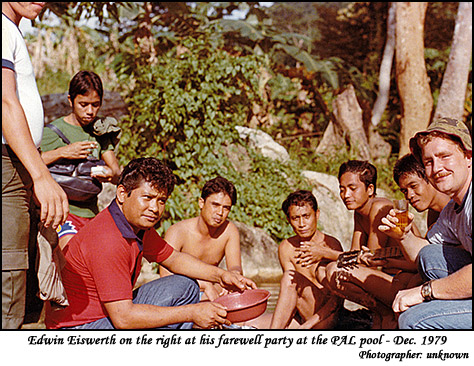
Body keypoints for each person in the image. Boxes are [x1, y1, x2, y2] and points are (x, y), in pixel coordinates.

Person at [45, 157, 256, 329]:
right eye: (147, 197)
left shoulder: (137, 227)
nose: (155, 208)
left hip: (109, 314)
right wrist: (192, 313)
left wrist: (222, 275)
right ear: (121, 194)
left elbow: (173, 259)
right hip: (79, 328)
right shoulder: (107, 239)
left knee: (185, 286)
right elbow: (124, 318)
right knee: (185, 310)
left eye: (161, 200)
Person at [2, 2, 69, 329]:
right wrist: (41, 174)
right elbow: (4, 101)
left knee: (24, 271)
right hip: (8, 164)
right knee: (10, 274)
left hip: (18, 164)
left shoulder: (11, 29)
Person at [380, 117, 472, 329]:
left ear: (468, 156)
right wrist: (404, 236)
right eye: (429, 162)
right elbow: (423, 254)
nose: (436, 168)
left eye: (444, 156)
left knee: (414, 320)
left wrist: (425, 292)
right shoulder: (452, 210)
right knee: (429, 256)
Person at [325, 160, 417, 329]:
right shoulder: (360, 212)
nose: (345, 195)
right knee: (324, 271)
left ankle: (386, 312)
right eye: (342, 188)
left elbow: (372, 260)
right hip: (386, 280)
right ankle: (382, 311)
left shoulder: (379, 207)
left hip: (406, 282)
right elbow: (354, 253)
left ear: (370, 189)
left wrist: (323, 252)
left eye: (352, 188)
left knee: (333, 270)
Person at [40, 70, 122, 250]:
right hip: (61, 213)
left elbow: (116, 174)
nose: (90, 111)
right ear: (70, 100)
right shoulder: (52, 132)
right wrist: (63, 152)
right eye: (83, 104)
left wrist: (108, 174)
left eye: (95, 105)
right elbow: (31, 163)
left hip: (91, 214)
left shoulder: (100, 130)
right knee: (71, 254)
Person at [268, 190, 343, 329]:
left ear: (317, 214)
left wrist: (306, 326)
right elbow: (289, 294)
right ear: (288, 219)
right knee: (251, 322)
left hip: (328, 317)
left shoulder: (330, 244)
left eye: (306, 216)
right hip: (304, 314)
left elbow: (337, 300)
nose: (302, 224)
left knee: (290, 278)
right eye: (295, 218)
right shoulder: (286, 247)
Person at [159, 176, 242, 301]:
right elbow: (165, 277)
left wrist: (234, 277)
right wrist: (204, 284)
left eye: (226, 208)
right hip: (181, 294)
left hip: (213, 292)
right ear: (201, 203)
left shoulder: (229, 231)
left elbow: (235, 267)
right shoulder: (178, 231)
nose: (220, 212)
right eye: (215, 205)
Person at [393, 153, 450, 231]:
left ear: (430, 177)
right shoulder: (434, 216)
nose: (409, 196)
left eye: (414, 186)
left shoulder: (462, 205)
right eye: (404, 191)